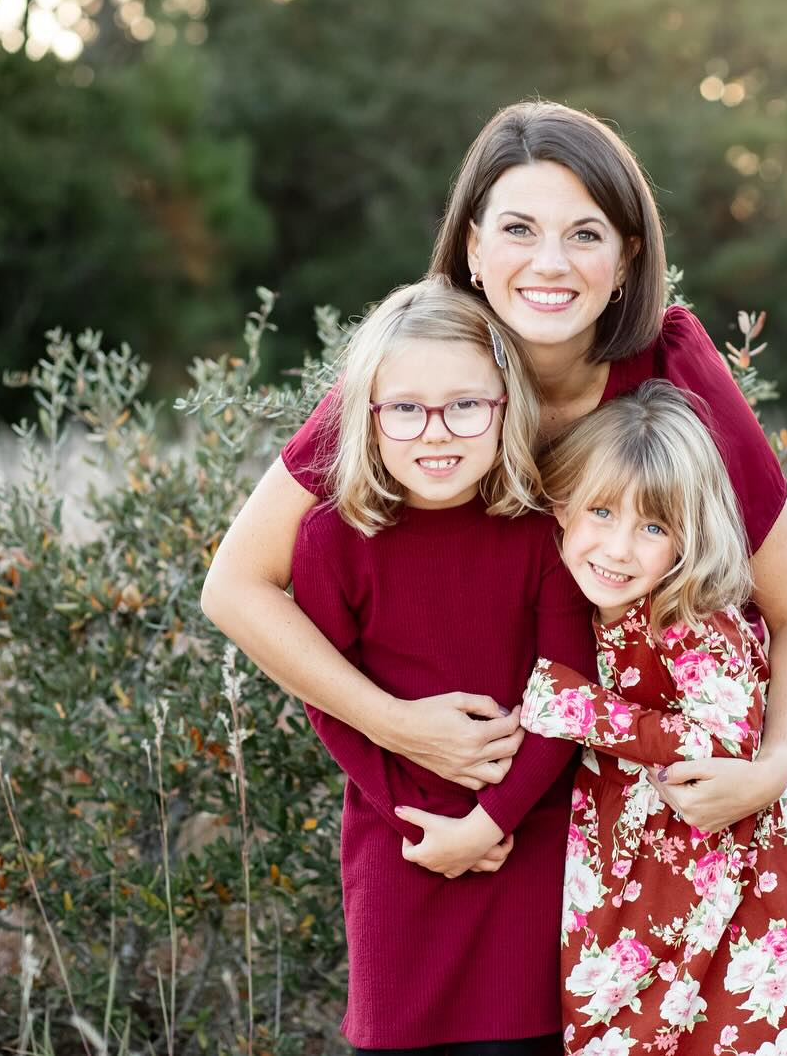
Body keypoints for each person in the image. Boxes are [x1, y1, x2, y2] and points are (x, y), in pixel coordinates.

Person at [201, 99, 787, 1036]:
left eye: (584, 234)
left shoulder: (673, 374)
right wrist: (398, 726)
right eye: (518, 229)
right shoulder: (422, 370)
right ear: (472, 247)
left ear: (627, 258)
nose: (550, 263)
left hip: (683, 823)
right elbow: (237, 585)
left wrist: (771, 768)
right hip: (492, 808)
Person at [285, 275, 596, 1051]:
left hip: (529, 840)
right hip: (399, 845)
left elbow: (566, 696)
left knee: (518, 1039)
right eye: (405, 409)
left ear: (505, 408)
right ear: (368, 416)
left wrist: (490, 823)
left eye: (465, 406)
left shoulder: (541, 534)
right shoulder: (331, 540)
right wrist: (420, 826)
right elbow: (329, 702)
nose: (436, 433)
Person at [519, 380, 787, 1056]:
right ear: (561, 505)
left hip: (736, 875)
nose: (619, 548)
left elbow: (723, 743)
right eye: (601, 512)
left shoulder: (688, 619)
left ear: (688, 537)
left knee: (727, 1034)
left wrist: (581, 709)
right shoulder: (597, 606)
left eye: (653, 528)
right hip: (651, 877)